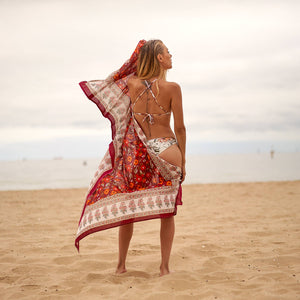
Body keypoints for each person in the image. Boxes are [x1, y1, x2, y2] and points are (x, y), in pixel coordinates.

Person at [75, 39, 186, 277]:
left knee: (128, 208)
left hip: (138, 152)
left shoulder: (132, 83)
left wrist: (141, 52)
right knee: (167, 213)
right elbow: (181, 129)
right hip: (166, 147)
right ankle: (164, 268)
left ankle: (120, 266)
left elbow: (117, 75)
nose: (171, 55)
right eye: (167, 52)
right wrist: (183, 161)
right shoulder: (173, 88)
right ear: (159, 58)